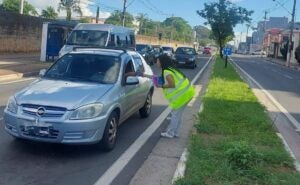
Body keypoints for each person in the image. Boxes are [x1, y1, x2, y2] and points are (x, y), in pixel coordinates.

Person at [142, 54, 195, 138]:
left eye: (158, 61)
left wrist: (161, 86)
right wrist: (146, 75)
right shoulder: (170, 69)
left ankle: (170, 133)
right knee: (177, 115)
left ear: (162, 62)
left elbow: (172, 84)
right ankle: (175, 132)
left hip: (182, 96)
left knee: (175, 115)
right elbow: (160, 78)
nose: (157, 62)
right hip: (187, 93)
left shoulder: (167, 72)